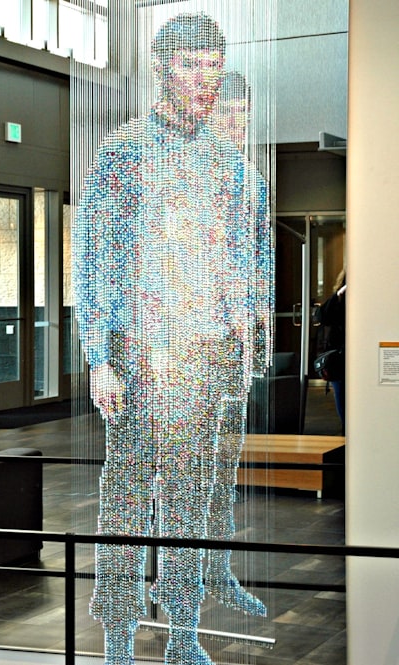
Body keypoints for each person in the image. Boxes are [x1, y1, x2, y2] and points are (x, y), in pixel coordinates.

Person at [72, 13, 261, 665]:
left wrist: (241, 330)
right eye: (190, 66)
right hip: (137, 354)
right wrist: (98, 355)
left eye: (213, 66)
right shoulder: (125, 153)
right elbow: (93, 259)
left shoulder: (229, 167)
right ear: (162, 69)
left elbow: (237, 260)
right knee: (126, 498)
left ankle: (183, 633)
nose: (204, 81)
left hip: (203, 356)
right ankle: (120, 636)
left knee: (187, 498)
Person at [202, 70, 272, 617]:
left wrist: (257, 334)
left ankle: (217, 571)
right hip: (182, 348)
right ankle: (173, 578)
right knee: (177, 471)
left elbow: (259, 264)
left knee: (224, 466)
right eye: (228, 113)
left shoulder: (251, 183)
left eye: (243, 115)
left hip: (229, 347)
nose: (237, 125)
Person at [316, 269, 346, 432]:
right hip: (339, 357)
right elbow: (322, 316)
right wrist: (339, 294)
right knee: (341, 393)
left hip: (354, 354)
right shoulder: (338, 300)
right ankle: (346, 430)